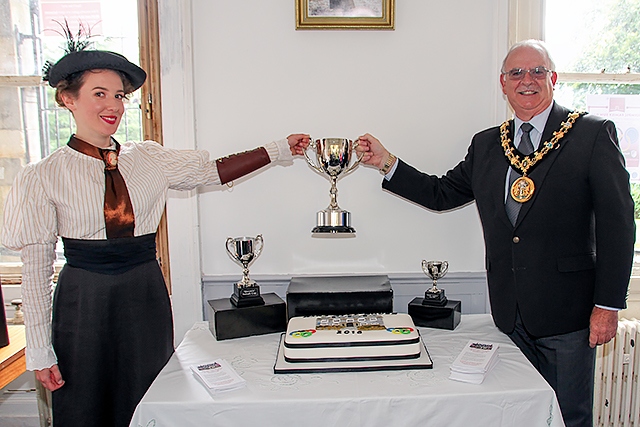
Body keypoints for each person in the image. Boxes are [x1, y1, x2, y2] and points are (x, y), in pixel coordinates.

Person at [1, 40, 309, 427]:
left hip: (143, 294)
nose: (112, 106)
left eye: (119, 95)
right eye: (99, 94)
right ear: (68, 99)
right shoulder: (42, 175)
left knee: (149, 395)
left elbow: (211, 171)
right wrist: (40, 352)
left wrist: (279, 148)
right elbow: (34, 270)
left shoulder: (147, 158)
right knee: (83, 401)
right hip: (82, 302)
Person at [356, 39, 634, 427]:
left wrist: (607, 305)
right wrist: (387, 162)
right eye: (516, 73)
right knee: (516, 415)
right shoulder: (488, 144)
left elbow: (618, 224)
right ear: (502, 85)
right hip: (508, 315)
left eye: (537, 71)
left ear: (553, 78)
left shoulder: (590, 134)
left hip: (568, 316)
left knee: (570, 418)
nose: (527, 80)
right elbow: (441, 194)